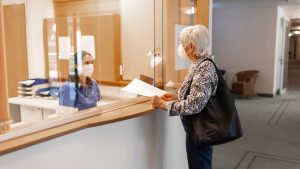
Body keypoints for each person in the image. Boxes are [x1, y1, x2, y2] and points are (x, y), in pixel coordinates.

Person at [151, 24, 218, 169]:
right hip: (196, 129)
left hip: (201, 131)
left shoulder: (205, 68)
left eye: (182, 44)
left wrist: (163, 105)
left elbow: (195, 104)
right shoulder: (198, 64)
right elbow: (197, 95)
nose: (181, 48)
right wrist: (177, 97)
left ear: (191, 47)